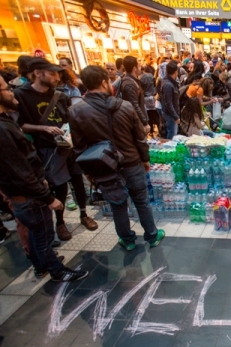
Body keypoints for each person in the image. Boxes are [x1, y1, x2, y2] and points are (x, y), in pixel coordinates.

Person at [0, 69, 88, 282]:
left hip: (26, 195)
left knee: (37, 234)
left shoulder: (6, 121)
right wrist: (49, 198)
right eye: (6, 88)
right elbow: (20, 171)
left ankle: (41, 265)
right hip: (29, 197)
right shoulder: (3, 130)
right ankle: (57, 271)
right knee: (43, 236)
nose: (12, 92)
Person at [69, 65, 165, 251]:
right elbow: (140, 138)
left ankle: (127, 240)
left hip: (103, 167)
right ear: (105, 82)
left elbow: (79, 147)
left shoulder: (76, 111)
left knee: (117, 205)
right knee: (142, 201)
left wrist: (88, 172)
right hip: (132, 162)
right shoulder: (125, 106)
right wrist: (145, 160)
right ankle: (152, 236)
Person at [14, 58, 97, 242]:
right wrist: (43, 129)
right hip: (46, 149)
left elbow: (69, 117)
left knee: (77, 179)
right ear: (37, 73)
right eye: (52, 73)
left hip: (68, 146)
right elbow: (19, 125)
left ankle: (84, 214)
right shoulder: (21, 95)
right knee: (59, 185)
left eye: (58, 73)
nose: (56, 77)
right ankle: (60, 222)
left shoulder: (60, 95)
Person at [159, 60, 181, 139]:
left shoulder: (169, 82)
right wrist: (175, 116)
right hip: (170, 114)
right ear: (176, 72)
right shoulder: (168, 84)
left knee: (173, 132)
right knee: (172, 134)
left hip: (171, 113)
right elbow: (168, 103)